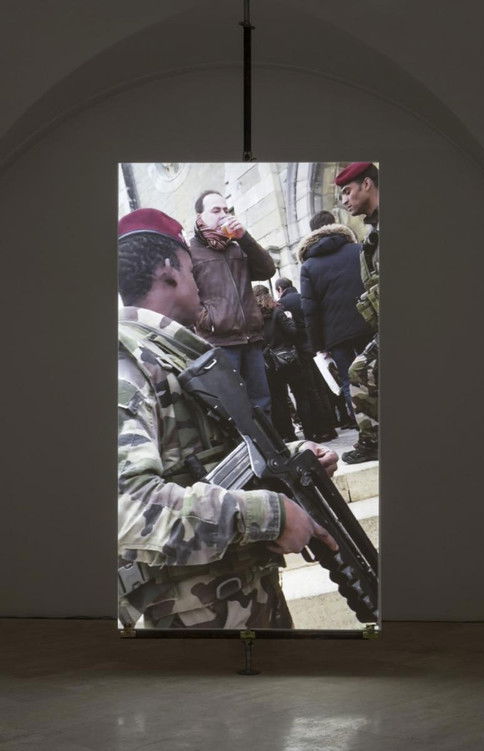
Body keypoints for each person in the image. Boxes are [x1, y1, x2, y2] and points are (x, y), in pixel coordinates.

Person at [117, 208, 339, 630]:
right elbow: (127, 506)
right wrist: (267, 515)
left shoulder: (171, 353)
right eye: (192, 269)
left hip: (243, 594)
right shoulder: (127, 364)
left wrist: (292, 458)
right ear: (168, 272)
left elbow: (209, 460)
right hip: (199, 619)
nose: (200, 282)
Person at [189, 190, 275, 416]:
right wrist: (210, 320)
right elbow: (187, 297)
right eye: (215, 210)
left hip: (251, 339)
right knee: (231, 408)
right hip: (219, 342)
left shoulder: (237, 247)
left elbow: (267, 270)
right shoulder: (190, 252)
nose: (223, 215)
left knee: (262, 404)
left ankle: (267, 441)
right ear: (200, 216)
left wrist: (244, 237)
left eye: (226, 210)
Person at [298, 213, 373, 433]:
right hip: (368, 324)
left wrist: (318, 345)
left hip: (337, 336)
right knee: (377, 373)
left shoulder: (309, 266)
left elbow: (310, 310)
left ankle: (368, 433)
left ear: (312, 232)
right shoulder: (357, 249)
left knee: (350, 383)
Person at [335, 161, 380, 464]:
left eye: (347, 191)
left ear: (367, 184)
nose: (344, 200)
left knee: (362, 372)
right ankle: (372, 440)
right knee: (360, 371)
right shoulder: (374, 230)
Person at [274, 276, 338, 440]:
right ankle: (332, 424)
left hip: (300, 350)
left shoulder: (282, 304)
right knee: (322, 386)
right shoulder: (302, 297)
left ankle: (321, 427)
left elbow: (290, 330)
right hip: (313, 346)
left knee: (310, 390)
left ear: (280, 289)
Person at [254, 285, 314, 442]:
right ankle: (309, 433)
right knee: (301, 396)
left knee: (279, 401)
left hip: (270, 363)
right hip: (289, 359)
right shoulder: (277, 312)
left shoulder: (253, 319)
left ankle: (290, 435)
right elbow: (292, 331)